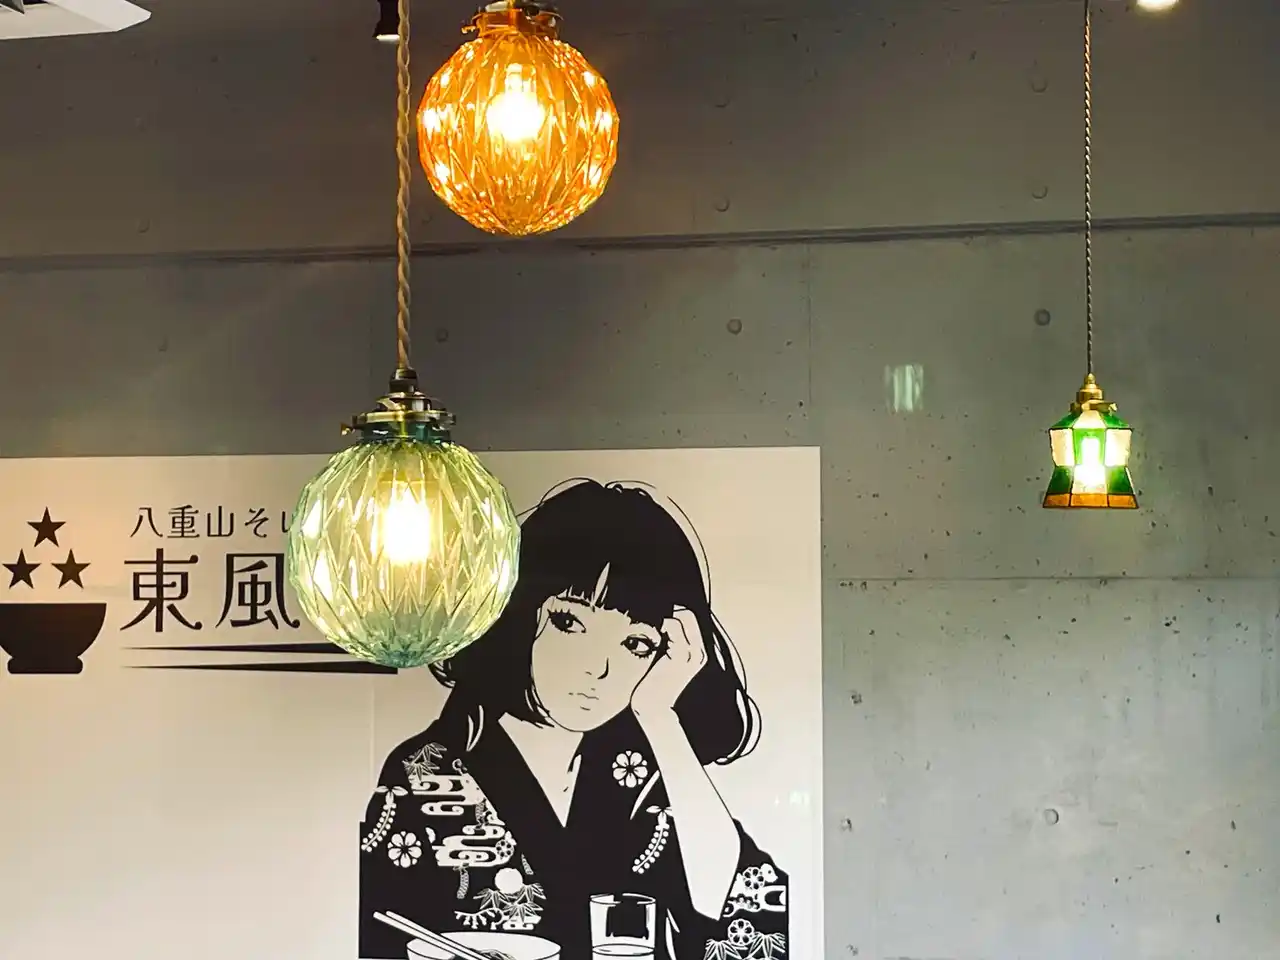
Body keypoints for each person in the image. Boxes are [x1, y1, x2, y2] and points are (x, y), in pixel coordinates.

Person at [359, 480, 789, 960]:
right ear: (521, 614)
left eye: (636, 644)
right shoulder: (424, 773)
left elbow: (742, 913)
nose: (597, 668)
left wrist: (660, 717)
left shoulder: (646, 772)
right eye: (569, 623)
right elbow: (379, 937)